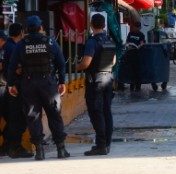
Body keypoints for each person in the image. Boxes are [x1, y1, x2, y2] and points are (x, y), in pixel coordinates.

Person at [7, 16, 69, 161]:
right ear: (41, 28)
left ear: (27, 30)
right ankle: (61, 149)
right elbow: (61, 63)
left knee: (33, 116)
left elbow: (12, 65)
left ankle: (39, 151)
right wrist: (62, 81)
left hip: (28, 84)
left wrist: (11, 84)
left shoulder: (22, 44)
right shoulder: (50, 42)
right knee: (54, 115)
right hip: (47, 83)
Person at [77, 13, 116, 156]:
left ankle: (100, 145)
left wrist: (77, 67)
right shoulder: (109, 40)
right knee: (107, 112)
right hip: (108, 78)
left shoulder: (92, 42)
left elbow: (86, 62)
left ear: (91, 25)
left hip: (95, 82)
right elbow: (113, 61)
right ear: (104, 25)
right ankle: (107, 144)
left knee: (96, 113)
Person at [0, 24, 33, 158]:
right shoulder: (13, 47)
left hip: (4, 86)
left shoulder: (5, 47)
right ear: (21, 32)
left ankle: (7, 146)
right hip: (11, 88)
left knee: (10, 119)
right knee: (18, 118)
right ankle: (14, 147)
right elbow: (17, 69)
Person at [125, 21, 145, 92]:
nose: (135, 29)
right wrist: (127, 45)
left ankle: (138, 86)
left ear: (139, 28)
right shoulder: (131, 33)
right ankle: (131, 85)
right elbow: (127, 41)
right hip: (130, 53)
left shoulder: (141, 35)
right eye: (135, 27)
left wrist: (138, 46)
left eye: (137, 27)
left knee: (137, 71)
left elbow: (142, 43)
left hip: (137, 54)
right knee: (131, 70)